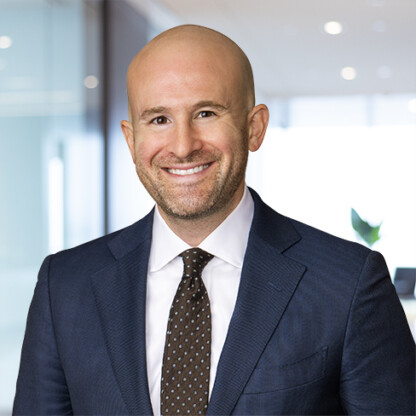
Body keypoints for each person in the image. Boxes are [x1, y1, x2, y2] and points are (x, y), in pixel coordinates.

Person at [13, 25, 414, 416]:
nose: (183, 145)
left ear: (254, 128)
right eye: (158, 120)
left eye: (205, 113)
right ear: (131, 140)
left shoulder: (347, 284)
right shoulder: (64, 285)